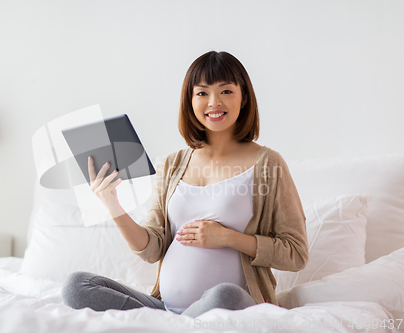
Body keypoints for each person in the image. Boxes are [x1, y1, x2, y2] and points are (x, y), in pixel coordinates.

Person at [61, 50, 309, 318]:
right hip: (165, 309)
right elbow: (152, 247)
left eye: (226, 91)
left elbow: (296, 253)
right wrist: (112, 204)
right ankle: (172, 325)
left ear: (244, 97)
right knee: (76, 286)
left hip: (229, 306)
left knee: (226, 295)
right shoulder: (172, 165)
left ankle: (166, 326)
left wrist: (228, 237)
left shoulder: (268, 163)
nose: (213, 102)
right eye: (202, 93)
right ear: (190, 101)